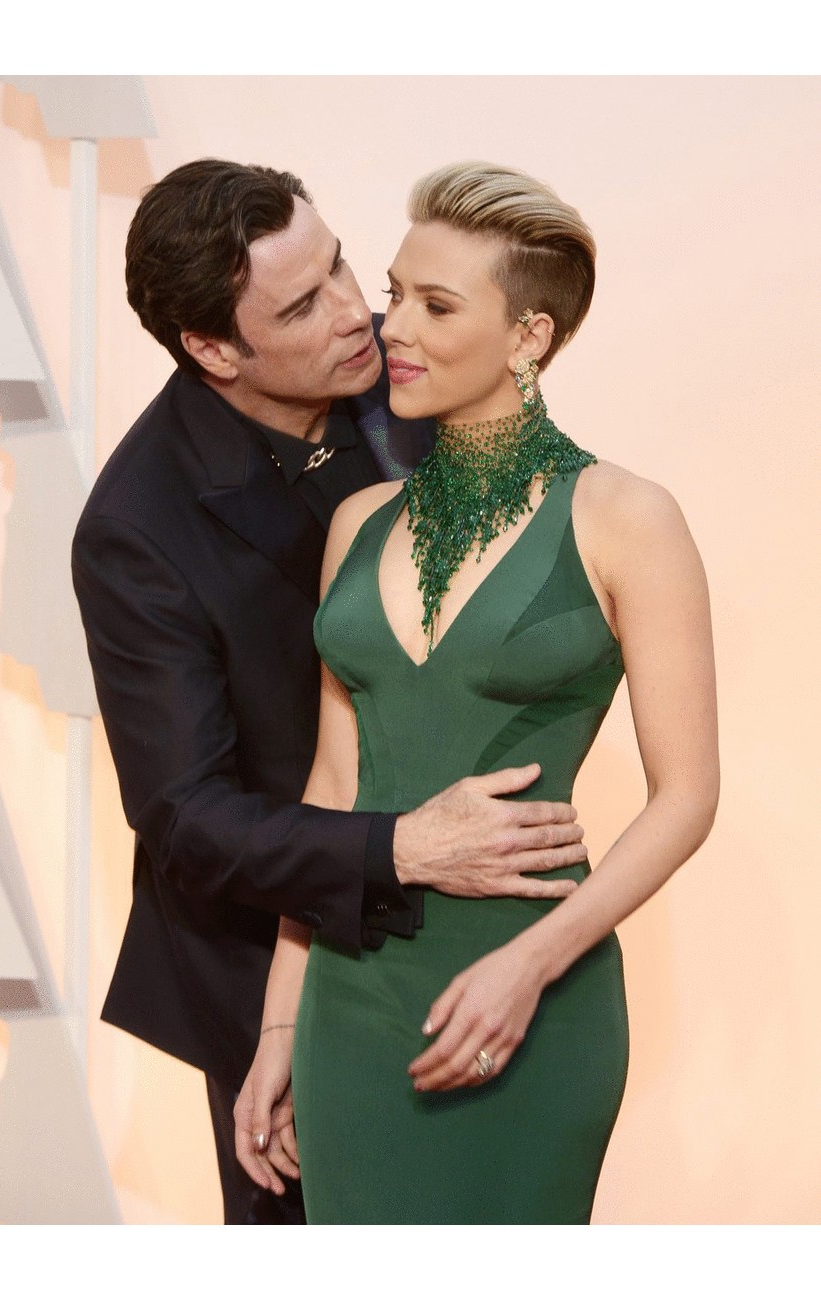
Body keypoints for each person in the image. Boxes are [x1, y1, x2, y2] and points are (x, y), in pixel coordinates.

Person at [70, 159, 591, 1225]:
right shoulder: (136, 529)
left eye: (342, 266)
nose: (359, 313)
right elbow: (186, 819)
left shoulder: (412, 371)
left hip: (479, 925)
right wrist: (402, 849)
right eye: (302, 305)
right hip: (269, 958)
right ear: (213, 349)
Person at [235, 161, 719, 1224]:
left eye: (437, 305)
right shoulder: (359, 523)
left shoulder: (626, 516)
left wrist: (530, 965)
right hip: (350, 1007)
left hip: (534, 999)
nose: (394, 327)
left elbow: (686, 797)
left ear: (528, 336)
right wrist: (278, 1026)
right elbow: (333, 786)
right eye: (395, 292)